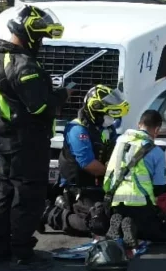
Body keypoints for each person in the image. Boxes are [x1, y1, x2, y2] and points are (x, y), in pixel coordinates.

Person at [0, 5, 70, 270]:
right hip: (27, 142)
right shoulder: (24, 65)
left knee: (6, 192)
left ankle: (0, 250)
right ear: (31, 34)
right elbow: (40, 107)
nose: (42, 43)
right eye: (41, 37)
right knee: (28, 195)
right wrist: (61, 95)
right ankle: (22, 252)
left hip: (8, 138)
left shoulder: (1, 57)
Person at [42, 84, 129, 235]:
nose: (112, 119)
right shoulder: (78, 130)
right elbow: (89, 165)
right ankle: (49, 213)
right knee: (96, 224)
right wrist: (117, 173)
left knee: (124, 214)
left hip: (100, 184)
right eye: (109, 115)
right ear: (95, 111)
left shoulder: (106, 128)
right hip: (80, 187)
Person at [104, 110, 166, 250]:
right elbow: (159, 187)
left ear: (139, 124)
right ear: (157, 129)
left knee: (123, 216)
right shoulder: (156, 151)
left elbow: (109, 173)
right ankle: (132, 227)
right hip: (141, 203)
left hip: (116, 202)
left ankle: (121, 227)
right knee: (165, 234)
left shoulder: (119, 143)